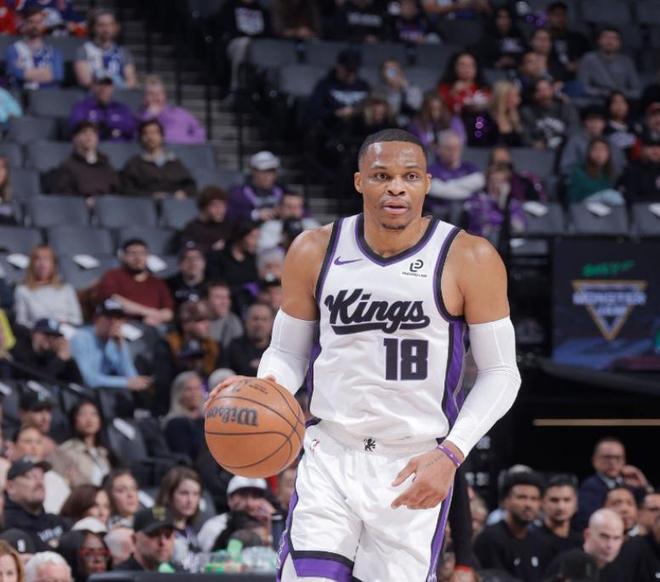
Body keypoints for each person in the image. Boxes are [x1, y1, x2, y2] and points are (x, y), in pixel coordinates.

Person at [207, 128, 521, 580]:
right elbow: (286, 350)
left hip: (412, 460)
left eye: (409, 176)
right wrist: (264, 390)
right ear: (359, 182)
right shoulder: (314, 249)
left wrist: (452, 454)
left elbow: (502, 372)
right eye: (381, 175)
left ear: (427, 183)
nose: (396, 187)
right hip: (331, 451)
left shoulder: (469, 256)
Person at [474, 472, 554, 581]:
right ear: (505, 501)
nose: (528, 504)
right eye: (521, 497)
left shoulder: (539, 540)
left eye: (534, 499)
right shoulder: (490, 539)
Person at [70, 298, 153, 391]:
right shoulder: (81, 338)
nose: (114, 322)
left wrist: (121, 347)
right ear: (96, 319)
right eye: (109, 318)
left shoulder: (114, 342)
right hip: (80, 391)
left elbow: (132, 378)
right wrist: (126, 383)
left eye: (118, 318)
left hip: (102, 393)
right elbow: (89, 380)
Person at [576, 437, 650, 531]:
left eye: (618, 458)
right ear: (594, 460)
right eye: (607, 457)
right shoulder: (589, 487)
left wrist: (645, 485)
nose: (612, 462)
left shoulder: (633, 485)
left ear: (624, 461)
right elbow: (588, 520)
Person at [96, 239, 174, 326]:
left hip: (152, 326)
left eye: (142, 253)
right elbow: (113, 300)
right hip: (120, 324)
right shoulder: (113, 275)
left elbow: (168, 312)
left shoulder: (157, 282)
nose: (138, 258)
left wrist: (156, 317)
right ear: (123, 256)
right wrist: (147, 312)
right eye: (132, 253)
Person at [120, 120, 197, 199]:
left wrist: (183, 193)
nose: (150, 137)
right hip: (145, 204)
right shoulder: (134, 164)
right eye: (146, 133)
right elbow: (127, 190)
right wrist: (151, 195)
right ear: (141, 138)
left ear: (162, 136)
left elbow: (190, 186)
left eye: (154, 132)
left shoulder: (174, 162)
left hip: (173, 203)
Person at [4, 458, 69, 551]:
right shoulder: (6, 523)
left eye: (42, 477)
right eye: (31, 477)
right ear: (10, 487)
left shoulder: (54, 520)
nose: (39, 483)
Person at [197, 476, 275, 553]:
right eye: (243, 495)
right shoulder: (214, 526)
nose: (249, 503)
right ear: (230, 499)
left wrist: (274, 521)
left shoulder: (271, 523)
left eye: (255, 496)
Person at [544, 509, 626, 582]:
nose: (610, 545)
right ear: (587, 535)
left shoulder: (616, 572)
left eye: (616, 538)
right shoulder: (568, 563)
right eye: (604, 537)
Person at [8, 425, 72, 515]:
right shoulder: (5, 475)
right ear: (13, 447)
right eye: (28, 442)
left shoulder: (55, 478)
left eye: (38, 442)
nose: (34, 447)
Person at [14, 246, 83, 328]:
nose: (42, 263)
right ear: (31, 264)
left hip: (65, 331)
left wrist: (63, 324)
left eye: (46, 259)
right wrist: (39, 329)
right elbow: (21, 322)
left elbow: (77, 320)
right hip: (38, 332)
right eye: (37, 259)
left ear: (53, 264)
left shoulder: (67, 289)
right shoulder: (22, 290)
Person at [51, 121, 120, 202]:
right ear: (75, 138)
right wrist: (82, 202)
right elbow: (63, 194)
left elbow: (116, 191)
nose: (89, 135)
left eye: (93, 133)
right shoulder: (67, 166)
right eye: (84, 132)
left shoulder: (106, 165)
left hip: (107, 207)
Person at [463, 162, 526, 247]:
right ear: (487, 181)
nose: (495, 184)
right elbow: (478, 221)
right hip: (479, 242)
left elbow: (519, 228)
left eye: (500, 181)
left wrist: (503, 201)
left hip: (503, 244)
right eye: (492, 180)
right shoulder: (477, 199)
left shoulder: (511, 203)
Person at [155, 467, 203, 572]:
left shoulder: (193, 531)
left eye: (195, 494)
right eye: (184, 493)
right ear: (169, 496)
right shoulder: (156, 533)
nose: (190, 500)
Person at [74, 9, 137, 88]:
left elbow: (131, 81)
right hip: (93, 93)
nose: (106, 29)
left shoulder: (123, 52)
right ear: (93, 27)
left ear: (115, 27)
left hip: (119, 92)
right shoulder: (84, 50)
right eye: (101, 25)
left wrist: (117, 87)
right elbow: (85, 81)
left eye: (110, 25)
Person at [5, 6, 63, 90]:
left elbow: (57, 75)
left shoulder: (54, 51)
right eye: (31, 22)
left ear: (44, 25)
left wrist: (27, 72)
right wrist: (46, 72)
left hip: (49, 95)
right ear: (24, 24)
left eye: (39, 22)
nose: (35, 25)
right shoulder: (13, 50)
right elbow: (18, 74)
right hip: (22, 95)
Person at [10, 319, 83, 385]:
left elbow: (77, 383)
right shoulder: (21, 349)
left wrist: (69, 359)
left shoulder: (52, 354)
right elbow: (36, 380)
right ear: (33, 333)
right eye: (46, 334)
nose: (49, 338)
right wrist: (60, 359)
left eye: (54, 336)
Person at [58, 400, 113, 487]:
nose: (89, 419)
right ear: (74, 420)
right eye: (83, 414)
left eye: (94, 414)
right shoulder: (66, 451)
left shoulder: (103, 452)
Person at [559, 106, 626, 178]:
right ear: (585, 122)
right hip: (582, 180)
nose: (595, 124)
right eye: (591, 120)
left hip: (607, 180)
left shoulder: (611, 142)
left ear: (604, 123)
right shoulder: (575, 141)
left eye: (599, 121)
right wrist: (589, 172)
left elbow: (620, 166)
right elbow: (565, 167)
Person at [427, 129, 485, 211]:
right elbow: (435, 189)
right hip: (441, 213)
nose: (453, 151)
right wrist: (469, 192)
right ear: (439, 149)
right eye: (449, 148)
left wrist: (447, 185)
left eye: (456, 147)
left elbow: (479, 181)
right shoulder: (432, 170)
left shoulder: (470, 168)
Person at [138, 75, 205, 144]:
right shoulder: (141, 117)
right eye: (151, 94)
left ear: (164, 95)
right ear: (144, 98)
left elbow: (199, 130)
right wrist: (149, 115)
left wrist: (190, 143)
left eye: (159, 93)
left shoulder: (180, 112)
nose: (156, 96)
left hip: (185, 149)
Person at [578, 27, 641, 100]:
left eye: (614, 38)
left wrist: (620, 95)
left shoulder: (626, 62)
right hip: (597, 100)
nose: (609, 41)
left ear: (619, 43)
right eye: (606, 37)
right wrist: (604, 93)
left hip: (622, 100)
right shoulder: (589, 59)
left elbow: (636, 90)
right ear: (599, 40)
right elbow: (583, 87)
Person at [69, 75, 136, 142]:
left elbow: (131, 129)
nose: (103, 88)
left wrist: (110, 127)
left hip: (120, 146)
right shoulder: (82, 107)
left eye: (107, 85)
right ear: (93, 86)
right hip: (93, 146)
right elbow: (75, 126)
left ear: (112, 87)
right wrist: (102, 128)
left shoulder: (122, 109)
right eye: (100, 84)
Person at [166, 300, 220, 378]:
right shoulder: (169, 344)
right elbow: (164, 379)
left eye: (208, 319)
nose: (207, 325)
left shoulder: (213, 345)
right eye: (200, 320)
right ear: (185, 324)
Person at [520, 78, 580, 150]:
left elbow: (574, 128)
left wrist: (564, 143)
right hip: (540, 150)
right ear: (534, 94)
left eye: (546, 89)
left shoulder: (564, 107)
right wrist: (533, 143)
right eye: (540, 90)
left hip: (565, 148)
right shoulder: (527, 111)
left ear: (552, 90)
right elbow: (525, 135)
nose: (544, 94)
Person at [228, 151, 285, 223]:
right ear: (253, 171)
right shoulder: (239, 193)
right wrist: (256, 214)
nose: (268, 175)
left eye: (271, 171)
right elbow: (230, 213)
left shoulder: (282, 191)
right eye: (263, 171)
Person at [114, 507, 176, 572]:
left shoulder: (179, 573)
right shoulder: (119, 575)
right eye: (154, 534)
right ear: (134, 539)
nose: (163, 542)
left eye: (168, 534)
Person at [163, 371, 205, 464]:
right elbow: (184, 458)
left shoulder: (206, 420)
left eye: (197, 388)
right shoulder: (175, 424)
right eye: (188, 389)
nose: (194, 393)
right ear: (179, 393)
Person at [534, 475, 582, 555]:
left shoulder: (582, 542)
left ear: (576, 503)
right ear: (542, 503)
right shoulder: (533, 539)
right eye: (554, 500)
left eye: (567, 500)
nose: (560, 507)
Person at [566, 138, 624, 205]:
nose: (599, 153)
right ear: (589, 153)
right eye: (595, 149)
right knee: (610, 195)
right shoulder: (579, 171)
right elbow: (572, 198)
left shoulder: (609, 172)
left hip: (603, 207)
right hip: (583, 205)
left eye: (603, 150)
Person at [546, 1, 590, 84]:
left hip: (577, 78)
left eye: (563, 15)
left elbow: (589, 57)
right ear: (549, 17)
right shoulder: (544, 38)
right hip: (552, 78)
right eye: (556, 15)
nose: (560, 19)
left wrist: (579, 64)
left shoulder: (578, 38)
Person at [223, 302, 273, 376]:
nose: (259, 324)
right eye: (255, 319)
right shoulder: (234, 347)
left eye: (264, 319)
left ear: (271, 323)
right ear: (246, 322)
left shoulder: (279, 349)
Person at [470, 80, 523, 147]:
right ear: (503, 97)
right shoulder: (483, 117)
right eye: (514, 96)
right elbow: (477, 142)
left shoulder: (516, 117)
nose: (518, 100)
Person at [180, 186, 232, 254]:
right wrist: (211, 248)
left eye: (223, 205)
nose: (221, 210)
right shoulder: (192, 227)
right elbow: (189, 249)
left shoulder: (227, 224)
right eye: (215, 205)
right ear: (204, 207)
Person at [207, 222, 260, 287]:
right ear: (240, 237)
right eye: (252, 237)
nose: (256, 243)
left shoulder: (252, 259)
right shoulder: (218, 257)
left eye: (258, 238)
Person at [438, 51, 490, 118]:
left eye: (471, 65)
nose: (467, 68)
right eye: (462, 65)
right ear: (454, 67)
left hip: (479, 122)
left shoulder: (485, 89)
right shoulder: (445, 88)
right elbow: (439, 110)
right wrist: (453, 92)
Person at [376, 59, 423, 126]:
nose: (392, 71)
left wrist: (405, 88)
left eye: (394, 68)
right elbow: (389, 112)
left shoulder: (413, 89)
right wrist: (394, 89)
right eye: (388, 69)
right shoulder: (379, 91)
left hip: (410, 127)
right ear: (383, 73)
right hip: (387, 126)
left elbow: (416, 107)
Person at [619, 131, 660, 204]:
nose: (655, 150)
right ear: (642, 148)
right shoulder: (632, 169)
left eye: (658, 146)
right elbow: (630, 199)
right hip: (642, 209)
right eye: (650, 146)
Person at [166, 243, 207, 308]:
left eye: (197, 258)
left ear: (204, 263)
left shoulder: (213, 285)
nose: (193, 263)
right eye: (188, 259)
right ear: (179, 264)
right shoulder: (168, 285)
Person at [17, 392, 57, 458]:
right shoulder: (11, 442)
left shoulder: (51, 445)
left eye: (48, 411)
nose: (46, 418)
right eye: (38, 411)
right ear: (22, 414)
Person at [206, 280, 244, 349]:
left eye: (226, 297)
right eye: (219, 297)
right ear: (206, 300)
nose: (224, 302)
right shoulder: (197, 320)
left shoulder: (233, 321)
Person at [604, 91, 637, 160]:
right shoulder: (604, 129)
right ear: (609, 106)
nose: (619, 106)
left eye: (622, 102)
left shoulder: (635, 128)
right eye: (615, 102)